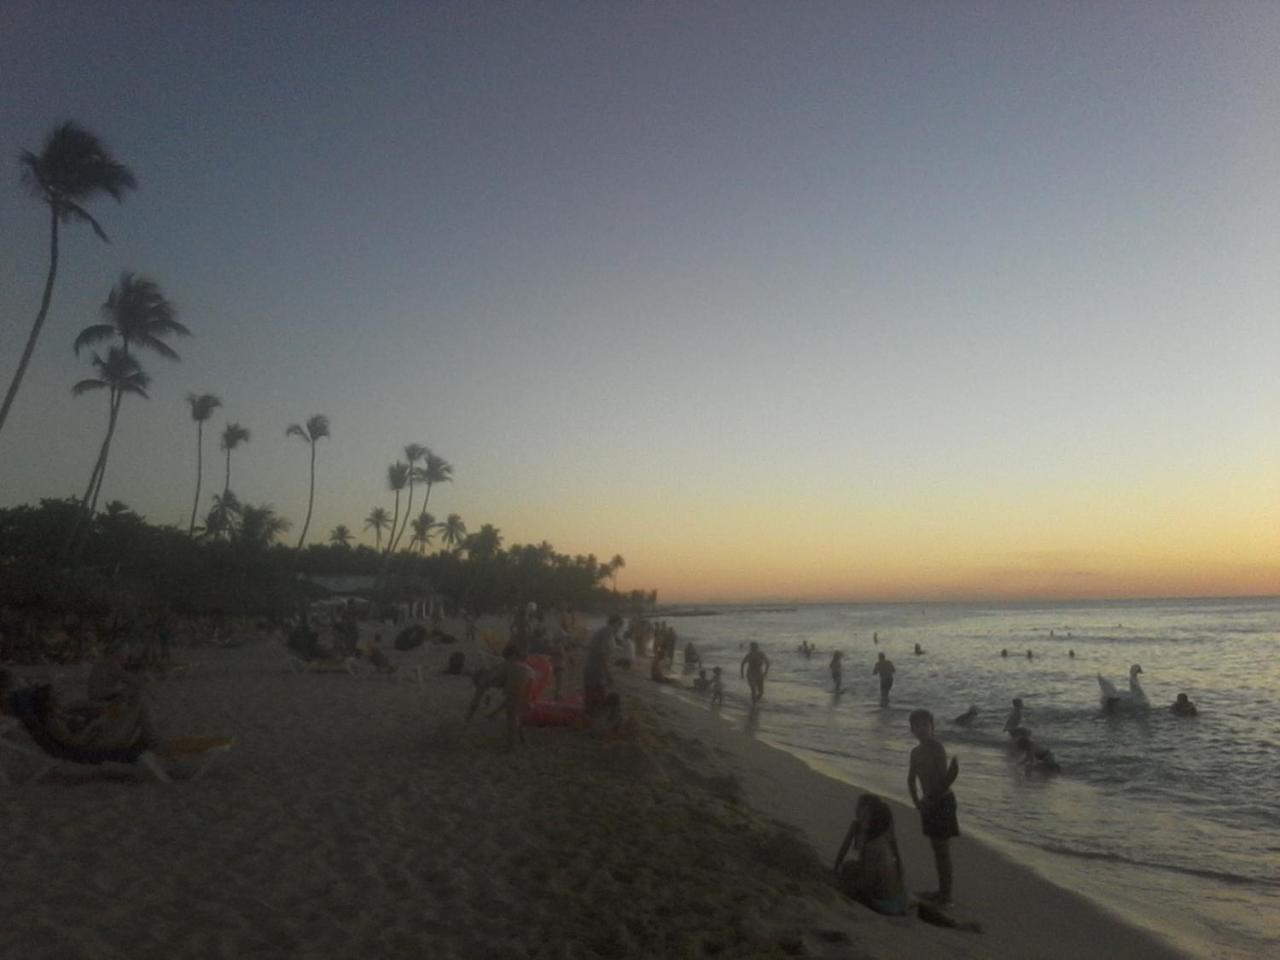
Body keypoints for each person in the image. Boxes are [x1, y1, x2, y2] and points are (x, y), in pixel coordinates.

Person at [907, 709, 960, 906]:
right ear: (912, 729)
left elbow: (943, 779)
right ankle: (941, 891)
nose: (921, 729)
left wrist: (929, 798)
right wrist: (916, 800)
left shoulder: (937, 747)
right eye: (917, 726)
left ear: (932, 728)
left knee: (942, 850)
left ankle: (946, 895)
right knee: (936, 849)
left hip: (942, 802)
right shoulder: (915, 752)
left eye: (925, 725)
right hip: (928, 804)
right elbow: (911, 778)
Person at [833, 793, 909, 915]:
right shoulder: (861, 828)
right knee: (848, 866)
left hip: (885, 905)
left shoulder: (873, 845)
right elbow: (844, 848)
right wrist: (836, 868)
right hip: (898, 897)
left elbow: (867, 884)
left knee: (851, 874)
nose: (860, 813)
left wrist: (845, 888)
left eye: (865, 814)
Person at [584, 615, 622, 721]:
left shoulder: (604, 631)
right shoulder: (608, 632)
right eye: (619, 626)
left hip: (592, 668)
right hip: (596, 670)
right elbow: (603, 654)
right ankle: (596, 721)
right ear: (616, 623)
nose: (619, 629)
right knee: (599, 696)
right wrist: (608, 674)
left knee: (591, 697)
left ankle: (590, 718)